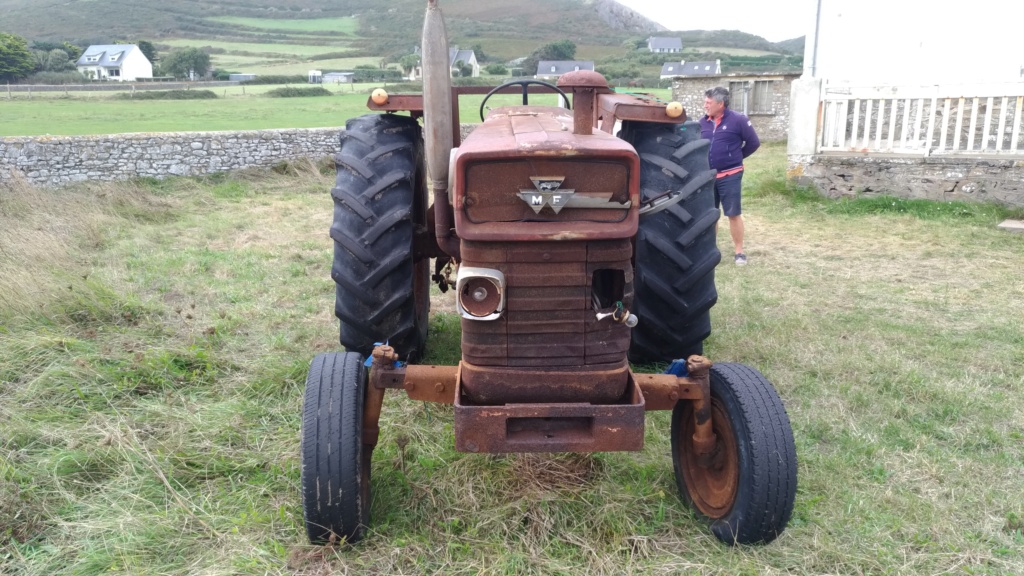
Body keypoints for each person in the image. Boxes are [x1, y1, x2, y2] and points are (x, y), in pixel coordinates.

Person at [699, 86, 760, 265]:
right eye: (705, 102)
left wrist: (736, 157)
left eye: (708, 103)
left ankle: (739, 251)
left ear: (721, 103)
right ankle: (710, 250)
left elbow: (753, 143)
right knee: (711, 215)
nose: (705, 105)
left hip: (730, 175)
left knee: (733, 213)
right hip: (708, 177)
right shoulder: (702, 123)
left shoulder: (738, 120)